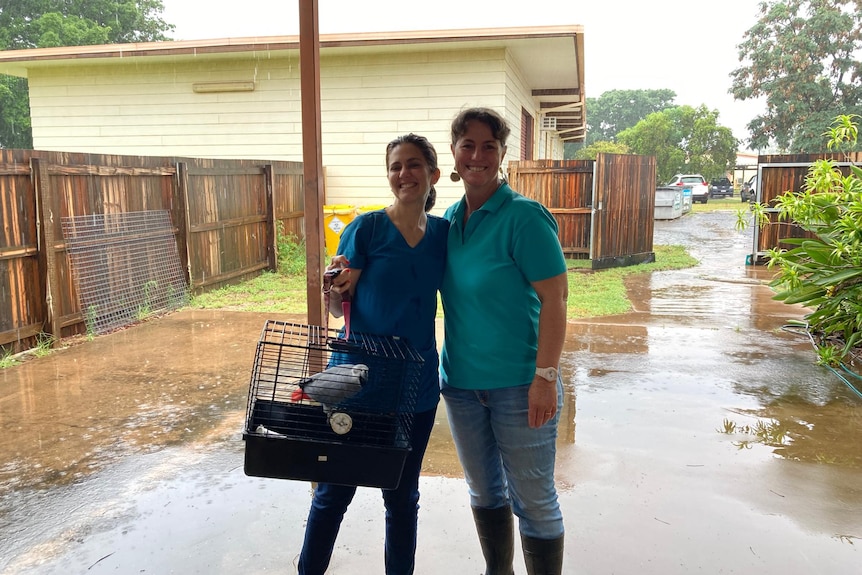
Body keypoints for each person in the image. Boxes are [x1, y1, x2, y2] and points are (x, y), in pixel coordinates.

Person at [297, 133, 448, 575]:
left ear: (432, 174)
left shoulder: (442, 234)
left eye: (415, 164)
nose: (405, 174)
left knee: (402, 496)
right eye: (397, 166)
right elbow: (338, 299)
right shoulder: (366, 228)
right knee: (333, 491)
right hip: (356, 382)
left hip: (415, 386)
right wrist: (331, 287)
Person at [439, 107, 568, 575]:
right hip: (461, 387)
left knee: (533, 500)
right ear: (453, 153)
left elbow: (556, 299)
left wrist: (546, 378)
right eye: (467, 145)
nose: (477, 155)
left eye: (488, 146)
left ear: (502, 154)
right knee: (484, 492)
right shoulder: (449, 222)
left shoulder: (523, 217)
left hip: (519, 386)